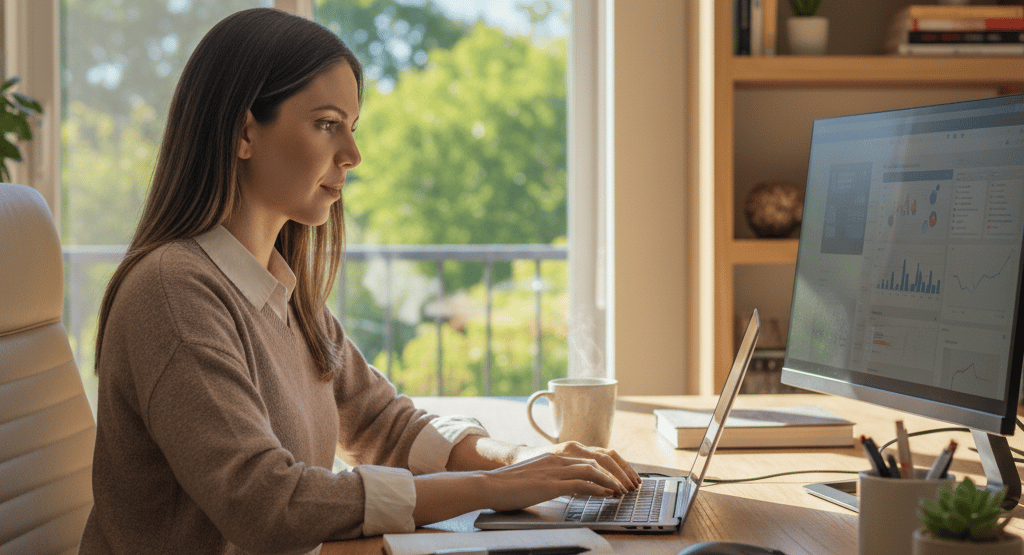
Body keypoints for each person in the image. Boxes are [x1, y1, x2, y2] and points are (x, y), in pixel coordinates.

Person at [79, 8, 639, 555]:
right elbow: (267, 504)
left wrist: (522, 461)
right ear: (243, 132)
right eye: (327, 125)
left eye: (351, 127)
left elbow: (381, 423)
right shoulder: (173, 294)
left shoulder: (279, 290)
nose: (353, 154)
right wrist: (494, 490)